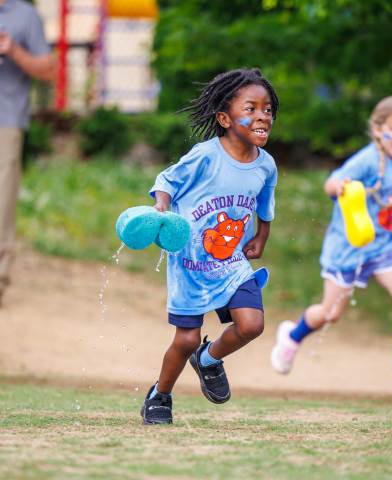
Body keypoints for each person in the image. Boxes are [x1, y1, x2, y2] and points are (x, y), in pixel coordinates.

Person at [271, 95, 392, 388]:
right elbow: (331, 183)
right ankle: (291, 336)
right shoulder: (368, 159)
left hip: (384, 245)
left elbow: (390, 192)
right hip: (348, 248)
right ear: (378, 130)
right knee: (330, 314)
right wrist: (342, 186)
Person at [141, 68, 279, 424]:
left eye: (268, 109)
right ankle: (161, 395)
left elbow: (265, 202)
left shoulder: (266, 166)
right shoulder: (205, 156)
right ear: (224, 117)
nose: (262, 115)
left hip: (232, 262)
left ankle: (209, 359)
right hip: (190, 263)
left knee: (251, 325)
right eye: (251, 108)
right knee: (185, 339)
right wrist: (161, 207)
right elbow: (166, 180)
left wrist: (262, 235)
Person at [0, 0, 56, 306]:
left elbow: (48, 70)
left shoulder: (25, 15)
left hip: (5, 122)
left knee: (1, 205)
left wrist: (12, 50)